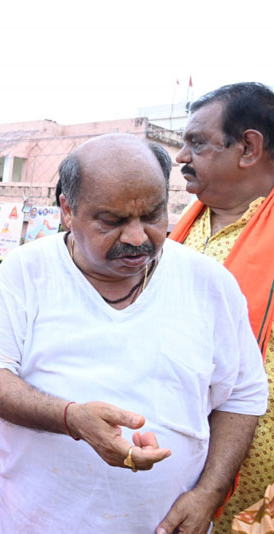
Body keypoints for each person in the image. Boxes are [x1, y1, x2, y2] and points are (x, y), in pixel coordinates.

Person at [0, 134, 268, 533]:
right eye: (113, 221)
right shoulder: (25, 271)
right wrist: (71, 418)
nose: (138, 237)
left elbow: (243, 395)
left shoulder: (210, 283)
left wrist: (210, 492)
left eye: (153, 216)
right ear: (68, 211)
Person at [168, 82, 274, 531]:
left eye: (195, 142)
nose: (180, 157)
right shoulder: (179, 232)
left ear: (248, 147)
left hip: (255, 500)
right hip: (174, 478)